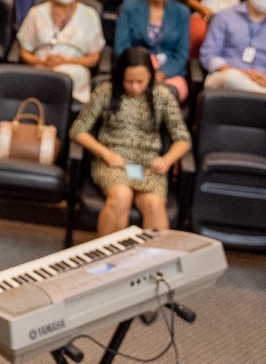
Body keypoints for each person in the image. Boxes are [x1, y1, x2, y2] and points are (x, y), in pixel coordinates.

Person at [69, 46, 191, 235]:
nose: (135, 87)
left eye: (140, 81)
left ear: (150, 76)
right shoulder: (106, 92)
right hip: (113, 162)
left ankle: (152, 262)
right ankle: (108, 261)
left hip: (148, 166)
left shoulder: (162, 96)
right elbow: (78, 130)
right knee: (121, 196)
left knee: (154, 204)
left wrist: (167, 160)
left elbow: (183, 138)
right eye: (129, 81)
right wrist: (106, 154)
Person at [18, 0, 105, 103]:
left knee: (65, 79)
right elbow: (24, 51)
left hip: (74, 71)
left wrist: (66, 61)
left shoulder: (90, 15)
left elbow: (94, 58)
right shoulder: (36, 13)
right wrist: (42, 61)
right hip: (40, 68)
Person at [115, 0, 191, 101]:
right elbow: (121, 46)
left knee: (162, 96)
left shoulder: (182, 12)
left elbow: (181, 54)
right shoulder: (129, 6)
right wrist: (140, 71)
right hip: (134, 68)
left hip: (168, 72)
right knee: (134, 89)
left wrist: (161, 73)